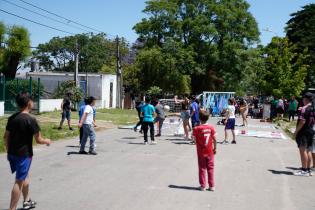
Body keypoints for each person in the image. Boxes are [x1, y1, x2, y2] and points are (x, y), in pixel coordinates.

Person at [4, 92, 51, 210]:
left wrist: (8, 150)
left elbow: (6, 136)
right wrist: (47, 141)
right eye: (32, 100)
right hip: (23, 155)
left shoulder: (12, 118)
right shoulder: (31, 120)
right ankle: (12, 208)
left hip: (12, 153)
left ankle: (27, 201)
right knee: (18, 181)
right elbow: (39, 140)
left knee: (24, 176)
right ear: (29, 103)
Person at [193, 110, 217, 191]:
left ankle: (203, 185)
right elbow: (215, 138)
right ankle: (212, 186)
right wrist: (215, 148)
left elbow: (194, 139)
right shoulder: (211, 127)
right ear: (208, 118)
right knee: (210, 168)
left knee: (202, 168)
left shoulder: (196, 128)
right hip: (210, 151)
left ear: (199, 118)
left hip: (201, 152)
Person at [293, 92, 315, 176]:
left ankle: (304, 170)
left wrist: (296, 132)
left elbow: (302, 121)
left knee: (302, 150)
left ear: (305, 99)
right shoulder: (313, 108)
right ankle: (308, 169)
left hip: (304, 131)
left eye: (303, 98)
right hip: (311, 130)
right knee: (308, 150)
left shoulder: (304, 108)